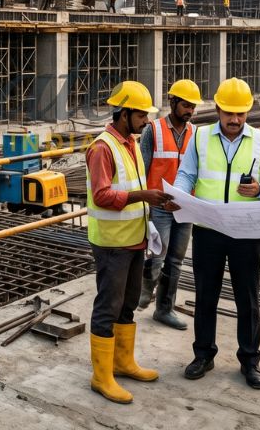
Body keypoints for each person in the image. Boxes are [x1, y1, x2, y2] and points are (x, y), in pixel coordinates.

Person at [172, 77, 260, 390]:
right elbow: (186, 174)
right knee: (205, 297)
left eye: (241, 114)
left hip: (246, 233)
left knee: (248, 299)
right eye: (229, 113)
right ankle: (203, 354)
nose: (235, 120)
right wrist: (179, 195)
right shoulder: (200, 137)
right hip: (208, 230)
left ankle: (250, 360)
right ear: (218, 109)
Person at [85, 81, 170, 404]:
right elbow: (102, 194)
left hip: (134, 240)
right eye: (141, 115)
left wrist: (153, 206)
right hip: (112, 244)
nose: (146, 121)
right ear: (124, 113)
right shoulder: (103, 147)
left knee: (128, 303)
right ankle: (101, 376)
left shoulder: (130, 143)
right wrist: (143, 195)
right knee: (108, 305)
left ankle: (122, 362)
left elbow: (132, 187)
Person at [138, 79, 201, 329]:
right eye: (186, 105)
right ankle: (144, 291)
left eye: (193, 107)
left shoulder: (196, 134)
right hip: (159, 207)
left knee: (175, 260)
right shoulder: (152, 130)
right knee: (156, 256)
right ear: (173, 102)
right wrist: (143, 200)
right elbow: (142, 170)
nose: (190, 111)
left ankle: (164, 309)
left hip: (184, 208)